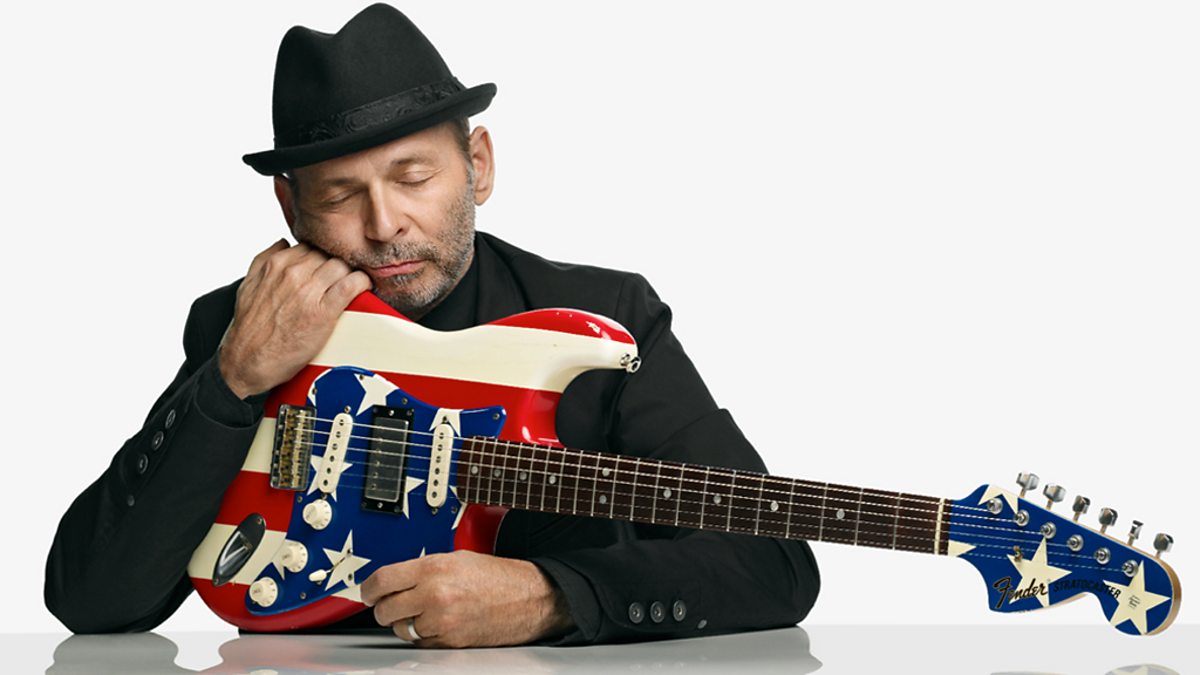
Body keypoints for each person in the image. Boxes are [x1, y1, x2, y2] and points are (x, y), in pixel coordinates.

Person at [44, 3, 819, 648]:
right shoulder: (241, 326)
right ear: (290, 207)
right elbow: (91, 598)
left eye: (413, 177)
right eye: (339, 195)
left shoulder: (611, 318)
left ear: (478, 165)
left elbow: (776, 561)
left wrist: (552, 596)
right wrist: (231, 379)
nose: (384, 224)